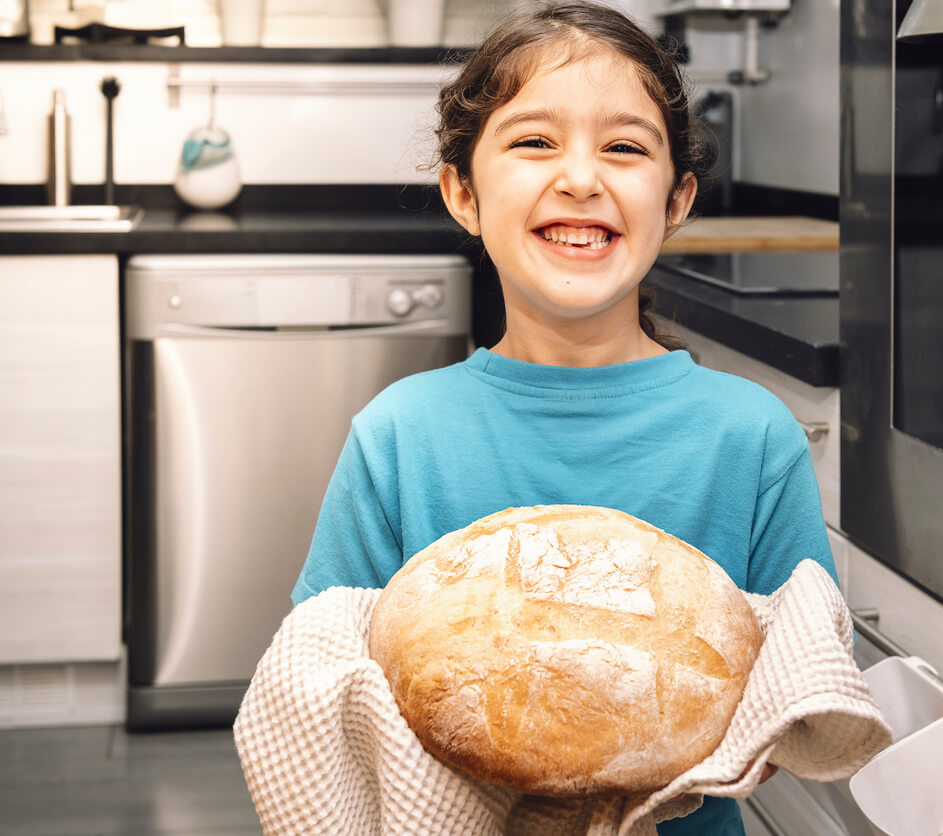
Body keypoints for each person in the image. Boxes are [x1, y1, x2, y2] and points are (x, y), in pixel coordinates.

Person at [292, 2, 838, 833]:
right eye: (535, 141)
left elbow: (807, 682)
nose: (582, 177)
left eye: (623, 147)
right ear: (462, 194)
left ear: (678, 198)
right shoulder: (400, 437)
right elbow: (318, 678)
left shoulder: (750, 436)